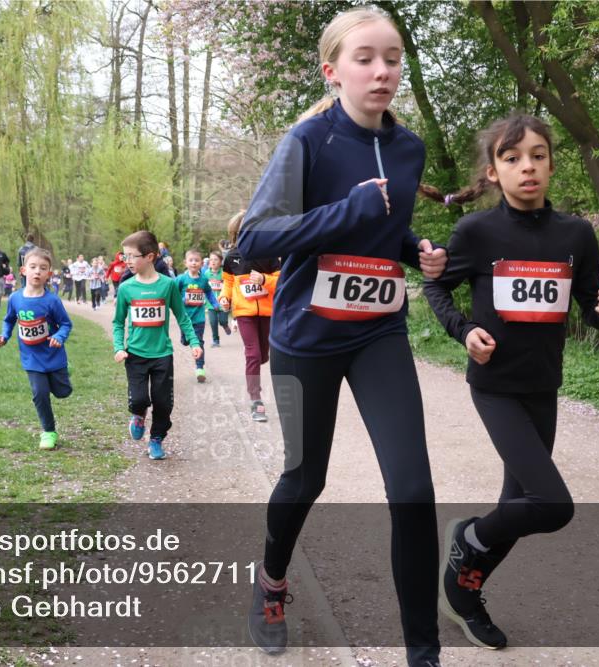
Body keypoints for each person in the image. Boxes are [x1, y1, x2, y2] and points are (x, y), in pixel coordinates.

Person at [236, 8, 448, 664]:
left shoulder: (409, 149)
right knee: (305, 478)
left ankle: (424, 653)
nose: (382, 70)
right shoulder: (308, 142)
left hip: (378, 331)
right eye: (365, 58)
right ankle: (271, 583)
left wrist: (417, 250)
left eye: (393, 58)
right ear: (333, 71)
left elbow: (386, 227)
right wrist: (345, 209)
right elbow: (254, 241)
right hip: (305, 337)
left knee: (413, 490)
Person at [422, 113, 599, 649]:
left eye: (537, 156)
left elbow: (592, 310)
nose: (526, 167)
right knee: (552, 505)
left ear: (552, 165)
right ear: (494, 172)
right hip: (495, 386)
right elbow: (436, 288)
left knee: (519, 505)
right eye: (512, 158)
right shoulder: (477, 232)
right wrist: (464, 331)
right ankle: (468, 537)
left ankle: (463, 592)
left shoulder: (576, 234)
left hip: (543, 385)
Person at [113, 230, 201, 460]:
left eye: (131, 256)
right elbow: (118, 322)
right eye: (124, 256)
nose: (127, 261)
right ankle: (138, 415)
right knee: (139, 400)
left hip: (162, 354)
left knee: (163, 403)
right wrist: (118, 347)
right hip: (135, 354)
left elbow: (182, 316)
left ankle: (156, 439)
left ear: (150, 257)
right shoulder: (126, 288)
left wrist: (194, 341)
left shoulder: (168, 285)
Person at [0, 248, 73, 450]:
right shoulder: (15, 298)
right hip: (31, 357)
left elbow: (66, 324)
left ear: (49, 274)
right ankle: (48, 431)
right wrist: (4, 335)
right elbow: (9, 320)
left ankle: (65, 372)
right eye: (33, 267)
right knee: (40, 393)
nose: (37, 271)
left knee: (63, 392)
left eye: (43, 268)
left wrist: (59, 336)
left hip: (54, 355)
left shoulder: (52, 300)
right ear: (23, 270)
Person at [221, 212, 281, 423]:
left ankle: (257, 360)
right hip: (244, 312)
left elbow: (281, 280)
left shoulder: (269, 254)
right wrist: (224, 298)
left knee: (263, 355)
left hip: (267, 312)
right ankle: (256, 399)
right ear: (236, 234)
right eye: (243, 232)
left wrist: (264, 279)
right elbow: (228, 283)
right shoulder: (231, 257)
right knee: (253, 354)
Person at [176, 248, 221, 382]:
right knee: (186, 341)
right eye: (191, 260)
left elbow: (209, 292)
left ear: (202, 263)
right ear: (185, 263)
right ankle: (185, 339)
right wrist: (182, 300)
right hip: (185, 318)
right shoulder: (181, 279)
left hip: (199, 318)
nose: (194, 263)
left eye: (197, 260)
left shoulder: (203, 279)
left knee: (199, 342)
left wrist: (215, 303)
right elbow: (174, 295)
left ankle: (200, 368)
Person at [205, 250, 231, 347]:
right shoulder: (206, 274)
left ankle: (225, 325)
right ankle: (216, 340)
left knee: (222, 321)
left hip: (223, 302)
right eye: (211, 259)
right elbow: (203, 286)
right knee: (213, 322)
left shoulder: (224, 273)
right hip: (211, 304)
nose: (213, 261)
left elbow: (229, 285)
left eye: (215, 259)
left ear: (220, 261)